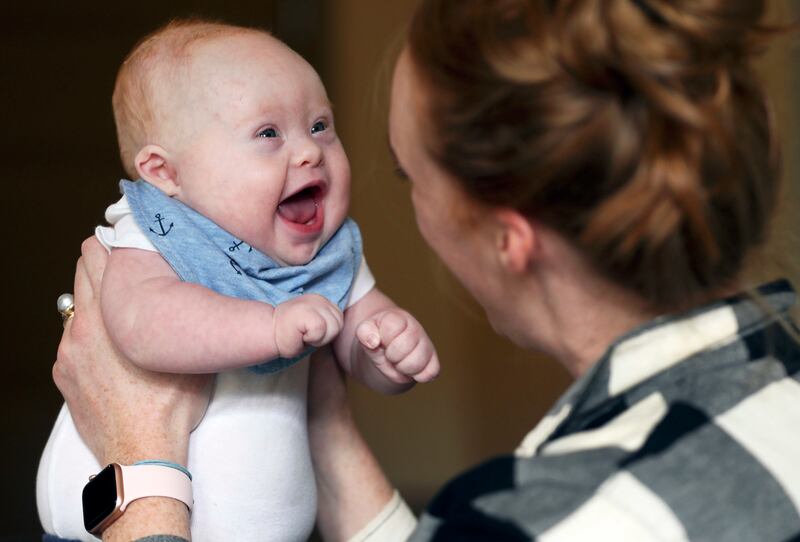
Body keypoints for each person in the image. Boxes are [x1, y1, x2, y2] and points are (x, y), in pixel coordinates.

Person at [53, 0, 800, 540]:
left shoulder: (555, 513)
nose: (310, 155)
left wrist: (139, 466)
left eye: (408, 177)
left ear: (508, 238)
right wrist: (326, 409)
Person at [39, 19, 438, 542]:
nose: (309, 151)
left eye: (320, 126)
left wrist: (389, 350)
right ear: (166, 174)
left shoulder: (327, 253)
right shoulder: (159, 231)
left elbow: (356, 343)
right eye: (268, 133)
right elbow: (142, 324)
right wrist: (270, 326)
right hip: (115, 524)